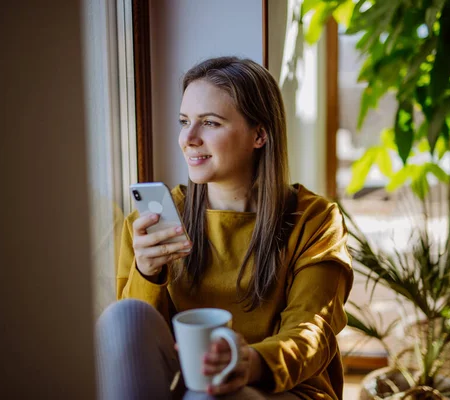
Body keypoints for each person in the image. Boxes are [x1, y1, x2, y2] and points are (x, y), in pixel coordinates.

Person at [96, 56, 353, 400]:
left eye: (210, 123)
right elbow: (135, 349)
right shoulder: (152, 225)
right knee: (124, 316)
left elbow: (312, 332)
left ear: (259, 134)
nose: (188, 138)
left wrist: (250, 362)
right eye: (184, 121)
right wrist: (147, 273)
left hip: (282, 388)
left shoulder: (314, 220)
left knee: (209, 395)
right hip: (185, 386)